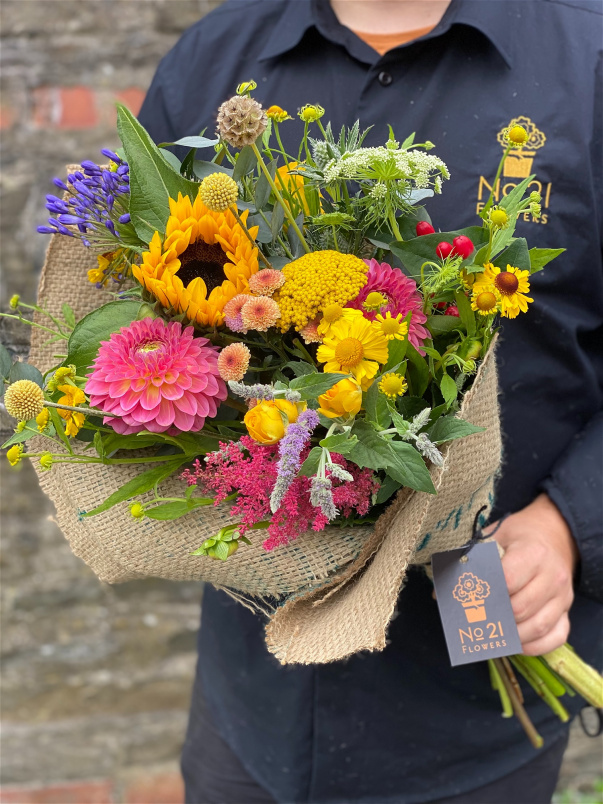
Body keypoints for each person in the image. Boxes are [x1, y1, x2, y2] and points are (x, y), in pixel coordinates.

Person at [138, 1, 603, 801]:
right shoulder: (210, 60)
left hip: (471, 671)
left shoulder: (584, 56)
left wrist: (564, 526)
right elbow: (150, 323)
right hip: (254, 701)